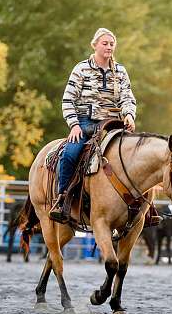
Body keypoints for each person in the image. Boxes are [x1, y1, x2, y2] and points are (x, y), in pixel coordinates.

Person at [49, 28, 137, 223]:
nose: (109, 47)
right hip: (85, 122)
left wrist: (129, 114)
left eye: (112, 44)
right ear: (95, 45)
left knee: (135, 155)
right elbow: (68, 99)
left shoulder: (120, 71)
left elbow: (127, 97)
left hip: (113, 123)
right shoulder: (81, 69)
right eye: (105, 43)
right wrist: (74, 125)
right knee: (71, 154)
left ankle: (144, 209)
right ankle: (62, 198)